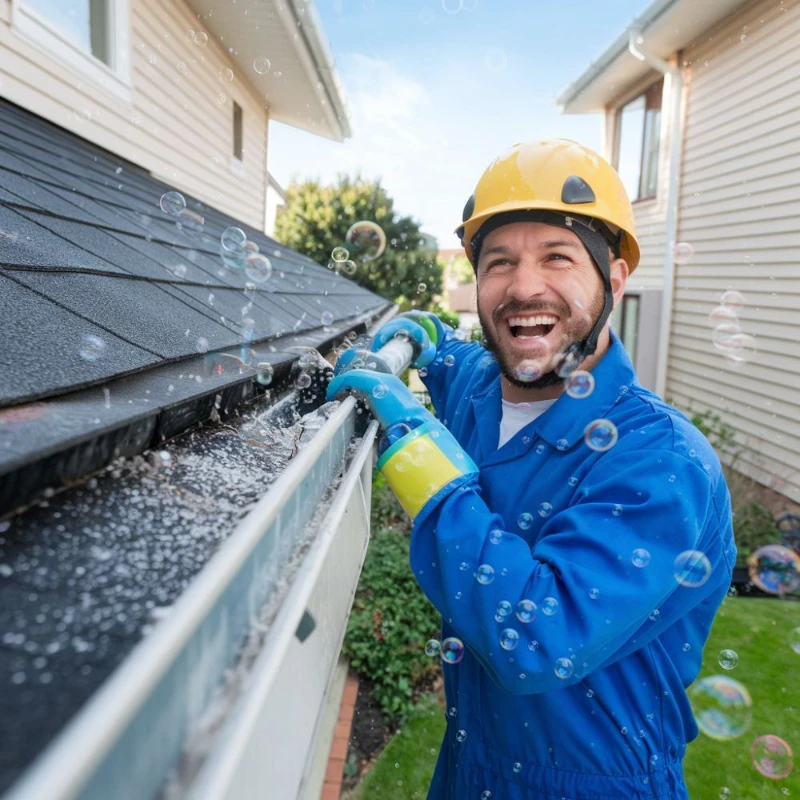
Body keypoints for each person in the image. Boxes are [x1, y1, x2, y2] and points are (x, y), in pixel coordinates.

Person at [327, 139, 735, 800]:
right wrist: (424, 337)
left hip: (596, 784)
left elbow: (536, 637)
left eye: (557, 257)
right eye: (499, 262)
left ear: (616, 278)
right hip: (469, 766)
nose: (523, 287)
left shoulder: (661, 462)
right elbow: (454, 358)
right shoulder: (479, 389)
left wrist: (416, 452)